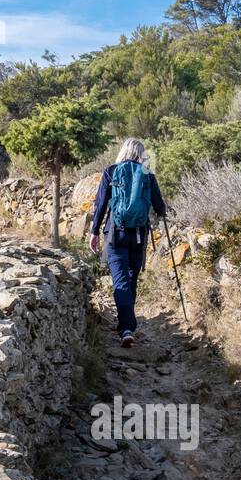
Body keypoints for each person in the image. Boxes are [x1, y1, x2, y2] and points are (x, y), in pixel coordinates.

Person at [89, 138, 167, 348]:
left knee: (120, 280)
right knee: (131, 279)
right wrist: (161, 212)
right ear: (141, 154)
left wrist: (94, 231)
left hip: (115, 234)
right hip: (139, 235)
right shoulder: (147, 172)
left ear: (123, 151)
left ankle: (126, 328)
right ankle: (128, 326)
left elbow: (101, 203)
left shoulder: (111, 171)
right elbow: (159, 205)